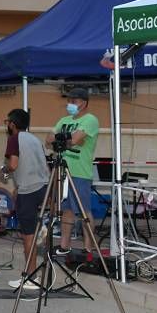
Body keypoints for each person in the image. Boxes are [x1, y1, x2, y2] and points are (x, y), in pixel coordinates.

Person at [47, 87, 99, 257]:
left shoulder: (90, 119)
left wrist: (64, 140)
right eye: (69, 101)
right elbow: (49, 139)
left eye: (74, 101)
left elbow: (76, 140)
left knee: (84, 210)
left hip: (79, 172)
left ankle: (88, 247)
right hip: (62, 170)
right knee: (66, 209)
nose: (70, 104)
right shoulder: (64, 119)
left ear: (84, 103)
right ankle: (64, 244)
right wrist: (68, 140)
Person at [4, 108, 49, 290]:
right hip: (42, 187)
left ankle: (31, 277)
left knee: (27, 237)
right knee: (31, 232)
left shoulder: (14, 139)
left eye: (7, 122)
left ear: (13, 124)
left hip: (28, 192)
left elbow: (13, 164)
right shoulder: (34, 139)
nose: (6, 125)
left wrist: (4, 170)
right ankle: (41, 228)